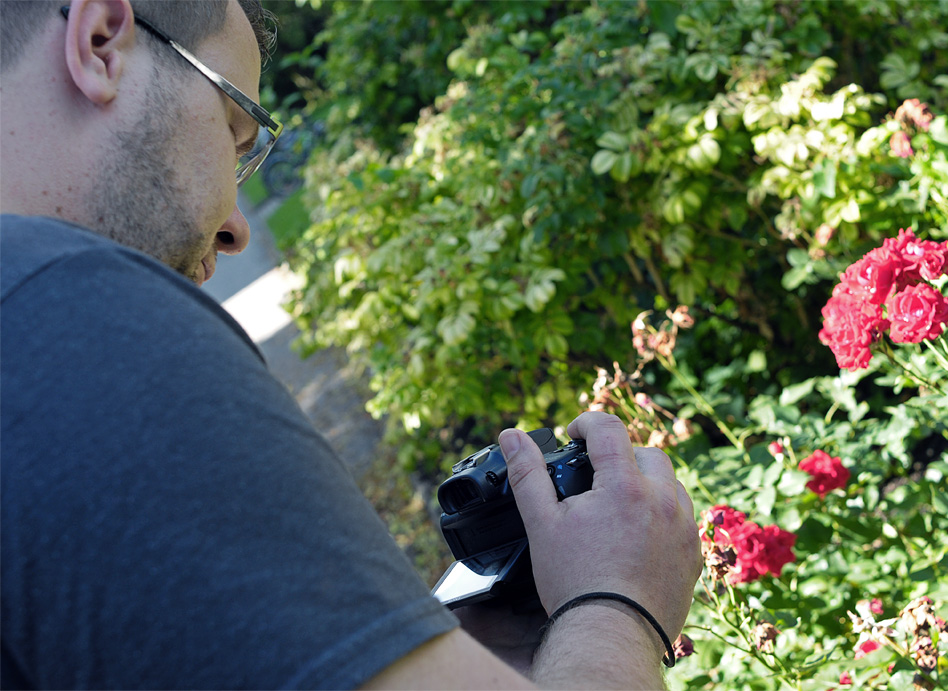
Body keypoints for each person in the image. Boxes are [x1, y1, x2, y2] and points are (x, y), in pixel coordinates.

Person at [0, 0, 703, 688]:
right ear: (101, 41)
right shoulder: (69, 316)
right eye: (236, 130)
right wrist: (617, 602)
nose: (235, 228)